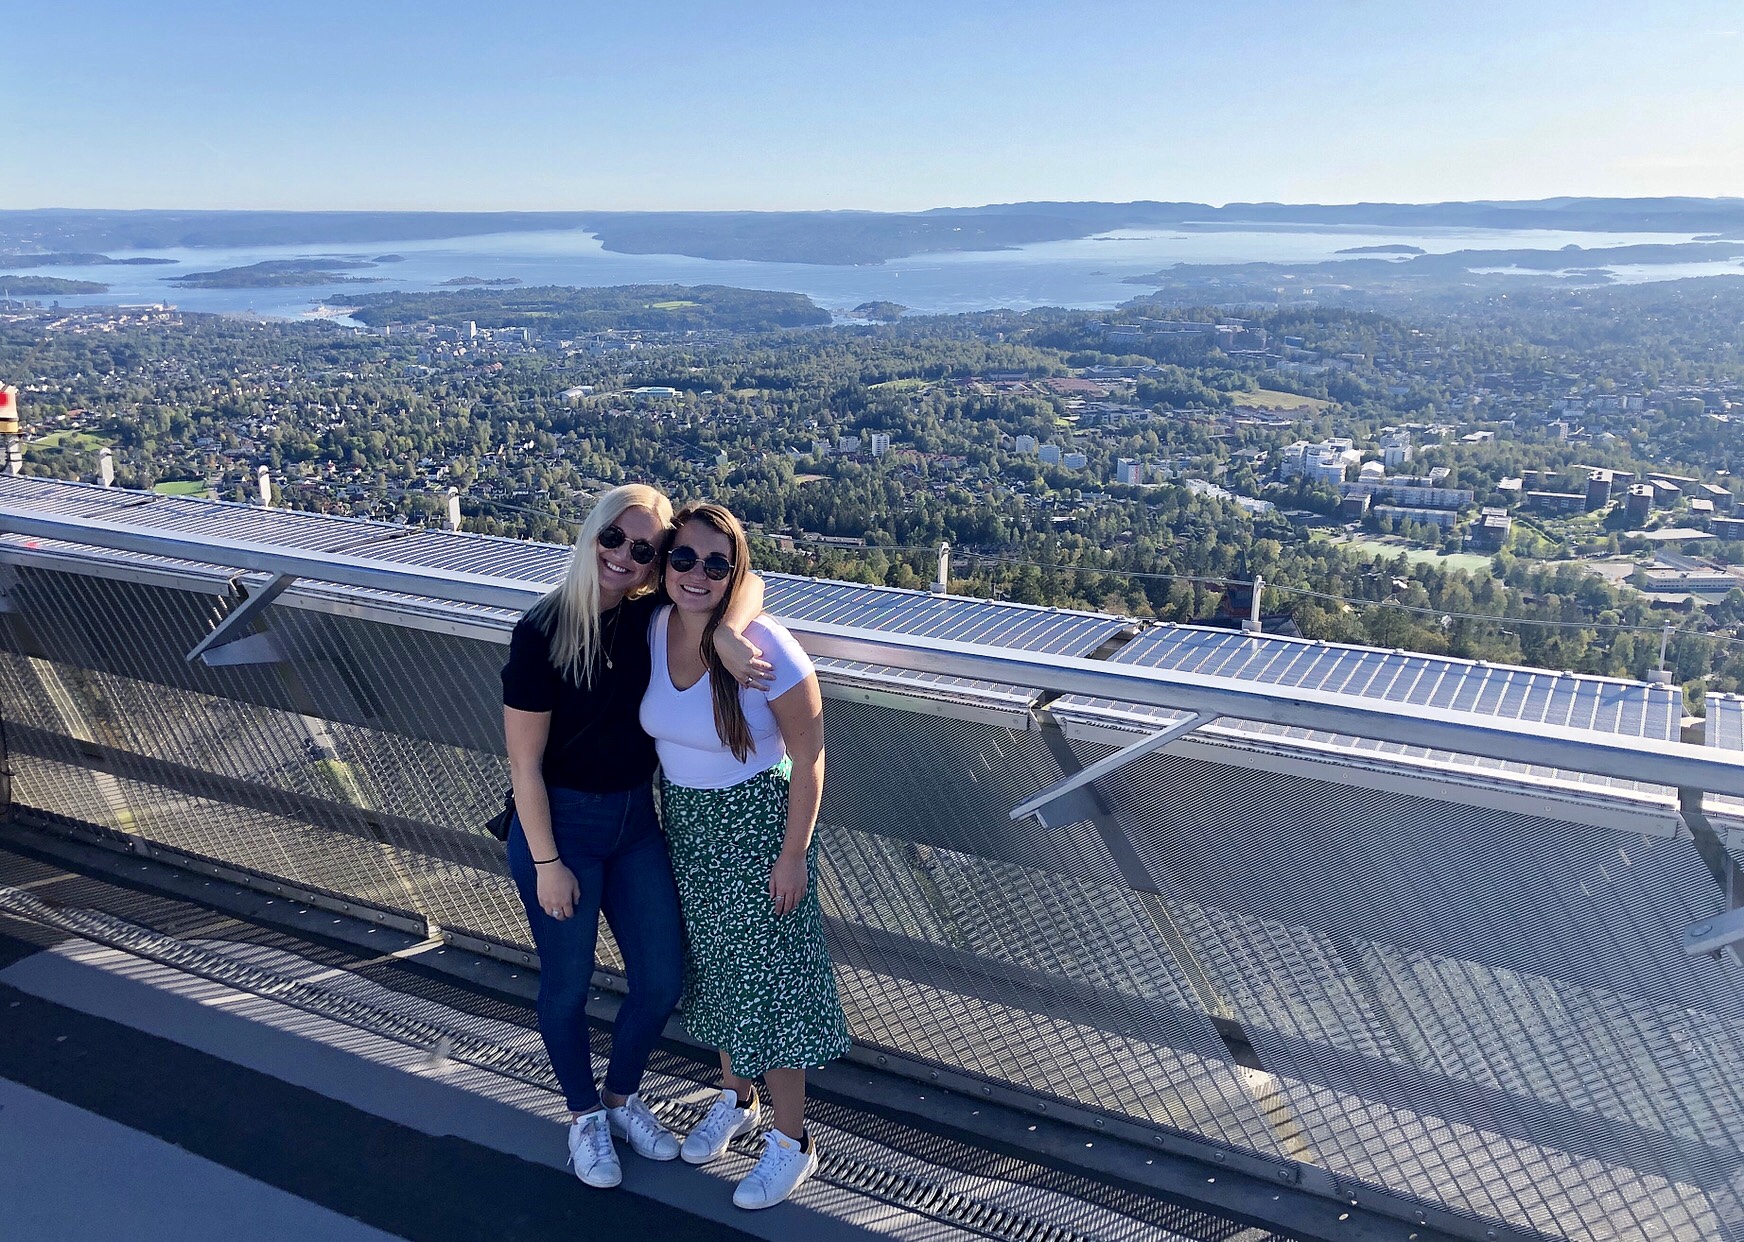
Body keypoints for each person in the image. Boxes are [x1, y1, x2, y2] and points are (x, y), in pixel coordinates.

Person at [501, 484, 771, 1189]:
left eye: (644, 549)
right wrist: (547, 862)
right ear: (591, 537)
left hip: (635, 824)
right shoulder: (542, 632)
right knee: (567, 984)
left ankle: (622, 1097)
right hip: (558, 828)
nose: (624, 556)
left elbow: (750, 580)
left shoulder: (651, 617)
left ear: (657, 563)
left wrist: (724, 634)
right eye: (612, 539)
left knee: (660, 979)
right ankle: (585, 1115)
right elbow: (523, 764)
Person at [639, 502, 850, 1210]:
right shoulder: (653, 626)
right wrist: (719, 626)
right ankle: (739, 1099)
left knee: (770, 989)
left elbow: (812, 760)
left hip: (758, 829)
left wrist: (794, 856)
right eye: (684, 558)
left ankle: (792, 1144)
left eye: (717, 564)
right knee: (717, 975)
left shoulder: (767, 647)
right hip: (691, 832)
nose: (697, 573)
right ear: (666, 563)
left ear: (737, 574)